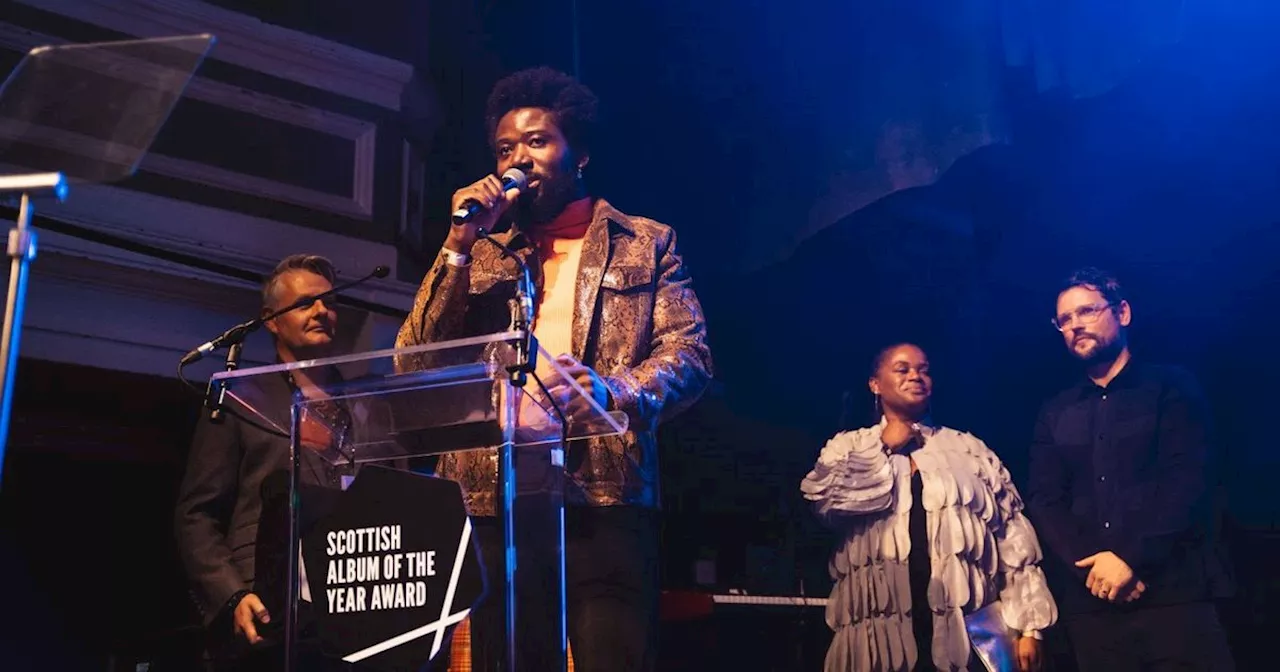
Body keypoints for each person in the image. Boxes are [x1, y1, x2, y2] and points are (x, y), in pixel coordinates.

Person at [395, 66, 713, 671]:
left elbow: (690, 355)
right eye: (505, 148)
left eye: (538, 142)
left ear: (580, 153)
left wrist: (613, 392)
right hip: (493, 497)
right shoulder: (481, 251)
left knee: (612, 656)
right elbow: (415, 359)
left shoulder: (645, 243)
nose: (519, 158)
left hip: (603, 491)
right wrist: (459, 244)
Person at [1027, 267, 1235, 671]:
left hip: (1176, 595)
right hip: (1092, 606)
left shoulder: (1172, 387)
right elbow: (1044, 500)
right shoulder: (1055, 410)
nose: (1074, 326)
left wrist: (1129, 558)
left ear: (1122, 313)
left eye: (1086, 311)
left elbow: (1189, 479)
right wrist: (1094, 566)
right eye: (1064, 320)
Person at [801, 343, 1057, 672]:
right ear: (875, 384)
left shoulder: (970, 451)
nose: (916, 377)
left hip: (969, 636)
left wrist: (1030, 626)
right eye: (903, 369)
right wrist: (883, 448)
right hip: (877, 638)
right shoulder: (849, 448)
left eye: (923, 370)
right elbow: (824, 504)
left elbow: (1011, 537)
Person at [174, 254, 359, 671]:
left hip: (349, 610)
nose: (322, 312)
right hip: (265, 612)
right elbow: (196, 515)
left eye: (329, 303)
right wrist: (232, 595)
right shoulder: (240, 398)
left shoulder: (365, 404)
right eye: (305, 303)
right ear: (271, 319)